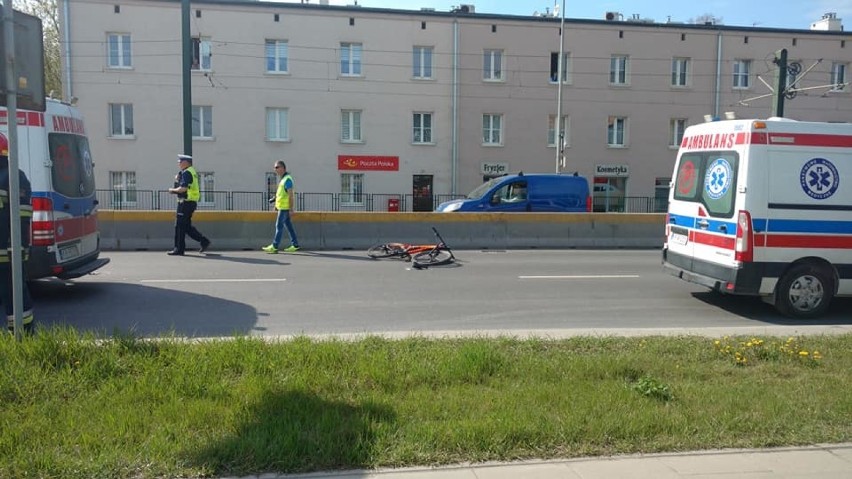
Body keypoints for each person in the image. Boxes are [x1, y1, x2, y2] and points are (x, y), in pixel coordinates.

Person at [0, 133, 35, 332]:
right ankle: (23, 335)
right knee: (15, 296)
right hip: (9, 251)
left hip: (8, 251)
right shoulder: (15, 176)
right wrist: (21, 247)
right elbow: (23, 216)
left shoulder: (13, 176)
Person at [167, 154, 211, 256]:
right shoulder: (190, 172)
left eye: (180, 161)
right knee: (186, 226)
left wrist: (172, 190)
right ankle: (204, 241)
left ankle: (179, 249)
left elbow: (184, 188)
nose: (178, 163)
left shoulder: (187, 173)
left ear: (185, 162)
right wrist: (178, 179)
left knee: (179, 226)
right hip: (190, 202)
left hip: (185, 202)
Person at [262, 160, 300, 253]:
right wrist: (276, 205)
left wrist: (291, 209)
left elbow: (290, 195)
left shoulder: (287, 180)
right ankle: (295, 244)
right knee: (289, 226)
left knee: (278, 226)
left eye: (277, 167)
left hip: (284, 208)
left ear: (283, 168)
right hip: (282, 207)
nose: (275, 169)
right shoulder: (283, 179)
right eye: (275, 168)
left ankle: (274, 246)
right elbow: (281, 195)